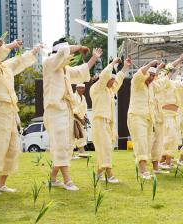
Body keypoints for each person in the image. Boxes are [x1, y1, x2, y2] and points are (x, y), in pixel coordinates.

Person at [0, 38, 42, 195]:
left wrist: (35, 49)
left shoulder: (6, 67)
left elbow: (20, 60)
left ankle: (1, 184)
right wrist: (7, 46)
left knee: (12, 149)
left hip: (10, 113)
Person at [43, 38, 102, 191]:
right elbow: (63, 52)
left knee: (66, 144)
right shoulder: (49, 63)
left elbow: (81, 72)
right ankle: (67, 180)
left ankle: (53, 178)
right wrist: (80, 46)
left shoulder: (66, 70)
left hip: (66, 109)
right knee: (61, 143)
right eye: (68, 53)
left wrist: (94, 58)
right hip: (54, 109)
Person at [127, 60, 173, 179]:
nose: (152, 78)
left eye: (153, 75)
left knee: (147, 144)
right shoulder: (137, 82)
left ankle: (145, 169)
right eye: (150, 75)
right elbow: (140, 73)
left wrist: (170, 68)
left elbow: (163, 82)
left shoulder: (152, 85)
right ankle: (142, 171)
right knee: (141, 143)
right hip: (136, 116)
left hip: (149, 119)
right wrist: (150, 63)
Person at [90, 57, 131, 183]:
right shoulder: (97, 88)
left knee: (107, 148)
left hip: (108, 124)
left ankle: (98, 173)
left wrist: (125, 67)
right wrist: (112, 63)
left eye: (113, 80)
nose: (113, 82)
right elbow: (104, 75)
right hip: (99, 122)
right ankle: (109, 174)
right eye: (111, 79)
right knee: (106, 148)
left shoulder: (109, 90)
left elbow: (118, 79)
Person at [155, 55, 183, 169]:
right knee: (168, 138)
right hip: (165, 114)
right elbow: (169, 68)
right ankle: (163, 161)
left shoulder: (172, 83)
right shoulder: (161, 79)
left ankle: (166, 160)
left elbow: (180, 81)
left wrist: (180, 65)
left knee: (173, 138)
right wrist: (178, 60)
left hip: (174, 115)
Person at [73, 83, 89, 158]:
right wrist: (80, 119)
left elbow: (85, 109)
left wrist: (85, 118)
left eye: (83, 88)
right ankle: (70, 154)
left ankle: (81, 152)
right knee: (73, 136)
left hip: (81, 120)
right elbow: (73, 111)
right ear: (77, 88)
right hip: (74, 119)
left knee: (82, 135)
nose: (81, 89)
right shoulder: (74, 97)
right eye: (80, 88)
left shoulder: (83, 97)